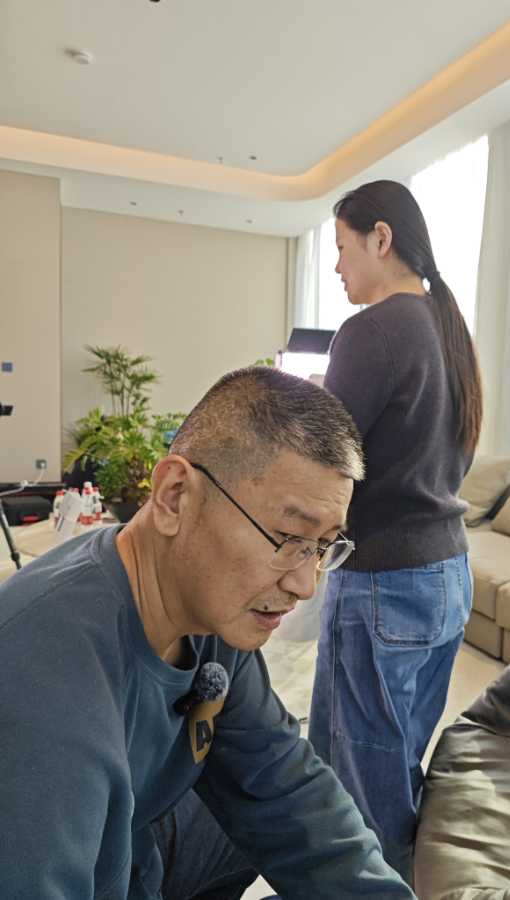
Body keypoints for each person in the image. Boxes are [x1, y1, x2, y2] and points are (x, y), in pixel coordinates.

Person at [0, 367, 417, 900]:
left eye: (322, 547)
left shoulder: (211, 615)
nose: (305, 584)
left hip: (136, 849)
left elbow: (283, 782)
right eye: (289, 538)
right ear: (175, 496)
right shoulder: (43, 688)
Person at [308, 180, 483, 883]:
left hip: (385, 582)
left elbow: (319, 464)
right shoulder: (447, 330)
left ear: (380, 238)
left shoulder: (372, 330)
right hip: (447, 575)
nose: (336, 266)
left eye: (341, 247)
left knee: (363, 782)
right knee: (392, 761)